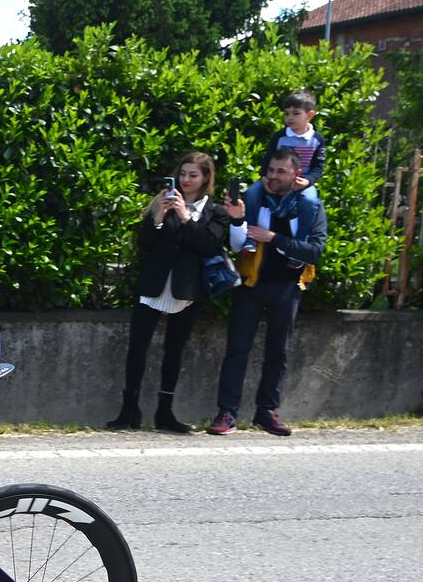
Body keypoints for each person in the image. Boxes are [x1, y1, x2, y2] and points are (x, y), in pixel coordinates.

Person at [207, 148, 327, 436]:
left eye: (280, 171)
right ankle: (226, 413)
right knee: (237, 350)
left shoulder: (310, 206)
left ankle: (266, 411)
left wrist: (274, 238)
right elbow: (237, 246)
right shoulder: (253, 200)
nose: (273, 176)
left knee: (278, 352)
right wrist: (237, 220)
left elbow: (315, 251)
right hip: (251, 284)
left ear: (296, 175)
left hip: (288, 287)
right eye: (270, 171)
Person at [107, 152, 229, 433]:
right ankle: (129, 410)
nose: (186, 180)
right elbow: (145, 243)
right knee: (137, 347)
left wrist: (186, 218)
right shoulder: (162, 201)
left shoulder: (216, 212)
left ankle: (165, 412)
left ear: (206, 178)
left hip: (186, 289)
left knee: (175, 350)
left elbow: (208, 245)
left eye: (193, 175)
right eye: (183, 174)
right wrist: (159, 216)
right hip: (154, 285)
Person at [240, 89, 326, 252]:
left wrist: (308, 181)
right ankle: (250, 237)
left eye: (295, 113)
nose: (289, 118)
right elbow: (267, 159)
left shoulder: (317, 140)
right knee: (251, 193)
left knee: (309, 201)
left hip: (302, 182)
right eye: (286, 114)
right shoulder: (279, 137)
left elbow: (318, 167)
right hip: (273, 178)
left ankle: (300, 241)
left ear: (310, 115)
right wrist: (265, 177)